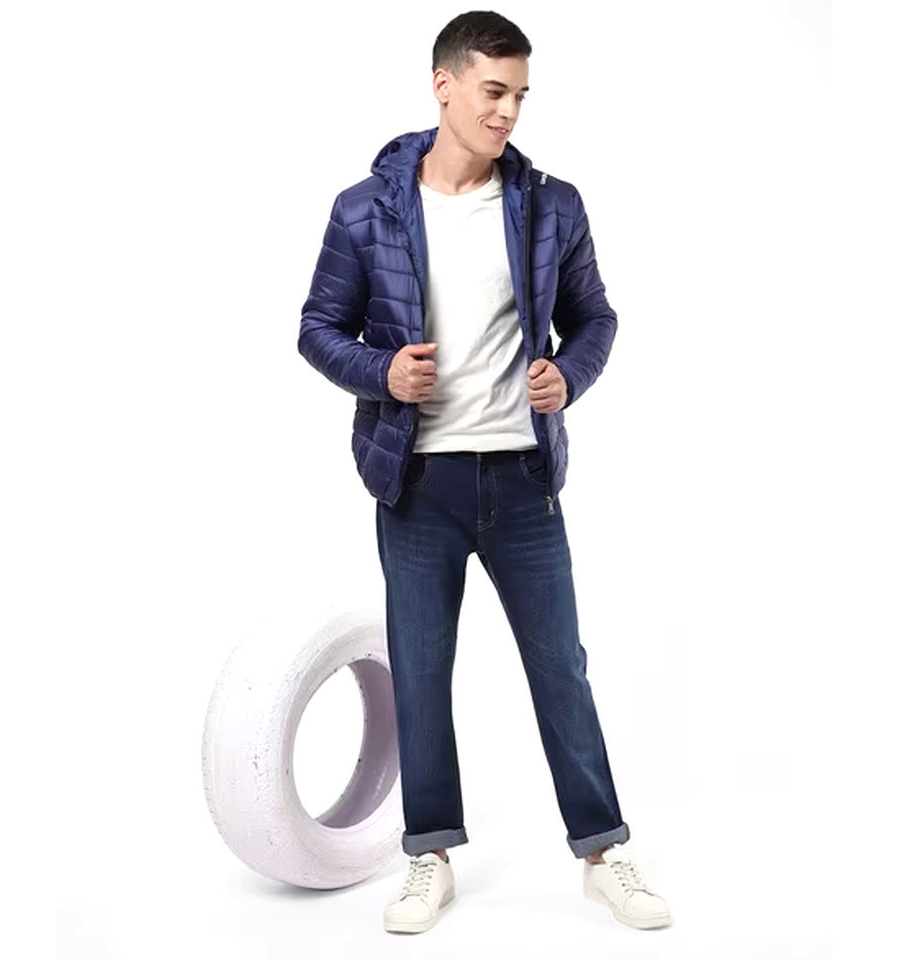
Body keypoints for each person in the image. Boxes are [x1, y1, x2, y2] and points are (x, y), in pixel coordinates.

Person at [298, 10, 672, 935]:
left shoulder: (552, 205)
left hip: (522, 481)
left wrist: (568, 375)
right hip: (416, 485)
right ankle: (429, 857)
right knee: (421, 675)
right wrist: (381, 372)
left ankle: (603, 854)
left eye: (520, 96)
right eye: (493, 91)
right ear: (445, 85)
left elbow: (596, 318)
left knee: (562, 670)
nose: (508, 111)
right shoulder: (365, 209)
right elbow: (316, 328)